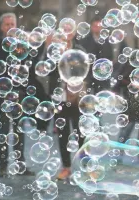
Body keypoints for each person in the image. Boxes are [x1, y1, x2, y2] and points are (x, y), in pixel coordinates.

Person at [0, 13, 36, 177]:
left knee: (20, 131)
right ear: (1, 27)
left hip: (20, 95)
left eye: (12, 24)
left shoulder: (23, 46)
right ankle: (2, 165)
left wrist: (25, 90)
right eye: (6, 24)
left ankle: (20, 164)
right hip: (1, 96)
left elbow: (29, 70)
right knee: (3, 131)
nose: (9, 27)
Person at [49, 32, 88, 180]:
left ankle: (85, 166)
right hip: (60, 98)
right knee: (62, 134)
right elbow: (46, 72)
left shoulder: (80, 51)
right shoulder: (52, 52)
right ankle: (66, 167)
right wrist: (56, 57)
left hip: (78, 98)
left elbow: (85, 71)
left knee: (81, 132)